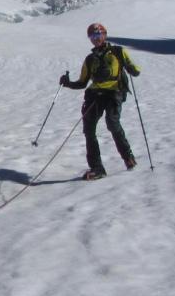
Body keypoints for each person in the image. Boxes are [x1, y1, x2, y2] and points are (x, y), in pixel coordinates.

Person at [60, 23, 141, 180]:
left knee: (112, 122)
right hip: (95, 94)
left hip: (114, 93)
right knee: (89, 129)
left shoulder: (118, 52)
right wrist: (68, 83)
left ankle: (128, 157)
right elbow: (83, 82)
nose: (96, 39)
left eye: (98, 35)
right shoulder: (90, 59)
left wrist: (132, 69)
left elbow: (135, 69)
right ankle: (97, 168)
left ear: (105, 35)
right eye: (92, 37)